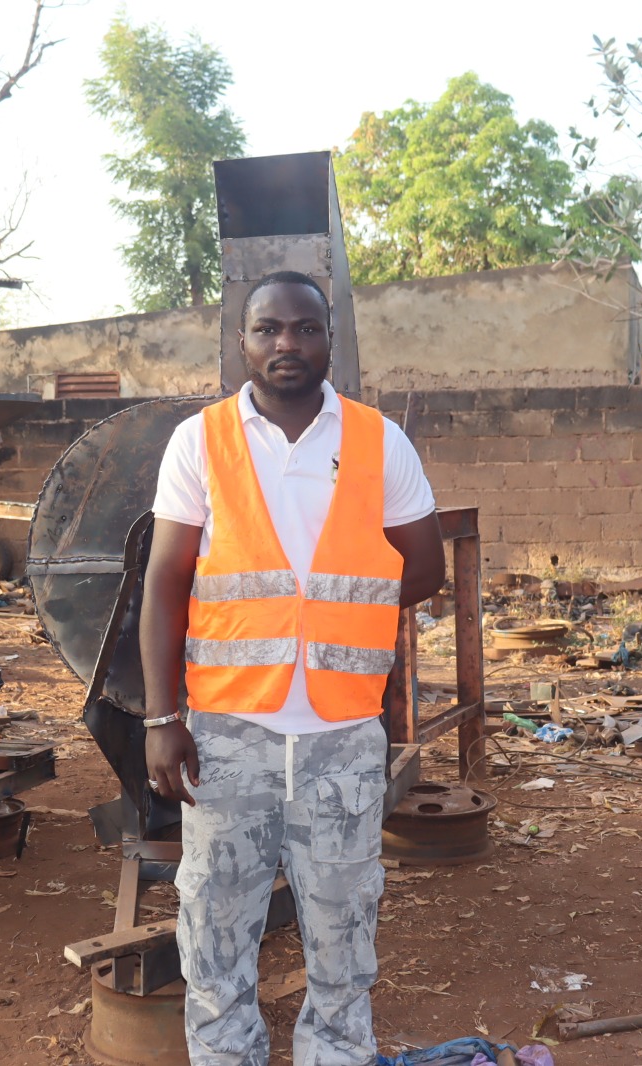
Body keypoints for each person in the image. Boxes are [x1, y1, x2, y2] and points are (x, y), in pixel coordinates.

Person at [141, 270, 446, 1066]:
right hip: (226, 732)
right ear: (242, 343)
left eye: (305, 328)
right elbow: (165, 582)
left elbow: (425, 567)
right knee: (214, 932)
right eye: (269, 329)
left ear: (329, 340)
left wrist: (337, 611)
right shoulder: (200, 441)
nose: (287, 343)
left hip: (342, 734)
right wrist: (161, 718)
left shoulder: (379, 441)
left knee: (345, 938)